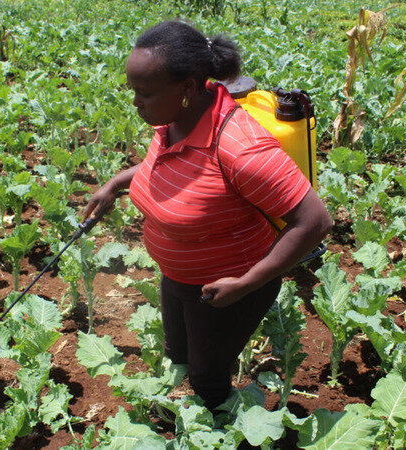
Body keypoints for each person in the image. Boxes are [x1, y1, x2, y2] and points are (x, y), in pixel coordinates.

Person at [84, 20, 332, 411]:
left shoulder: (240, 148)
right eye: (133, 91)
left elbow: (315, 221)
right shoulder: (176, 120)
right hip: (178, 275)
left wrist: (246, 283)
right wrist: (116, 183)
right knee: (178, 350)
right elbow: (167, 164)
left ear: (186, 88)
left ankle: (220, 422)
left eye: (144, 93)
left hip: (228, 288)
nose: (135, 103)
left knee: (207, 375)